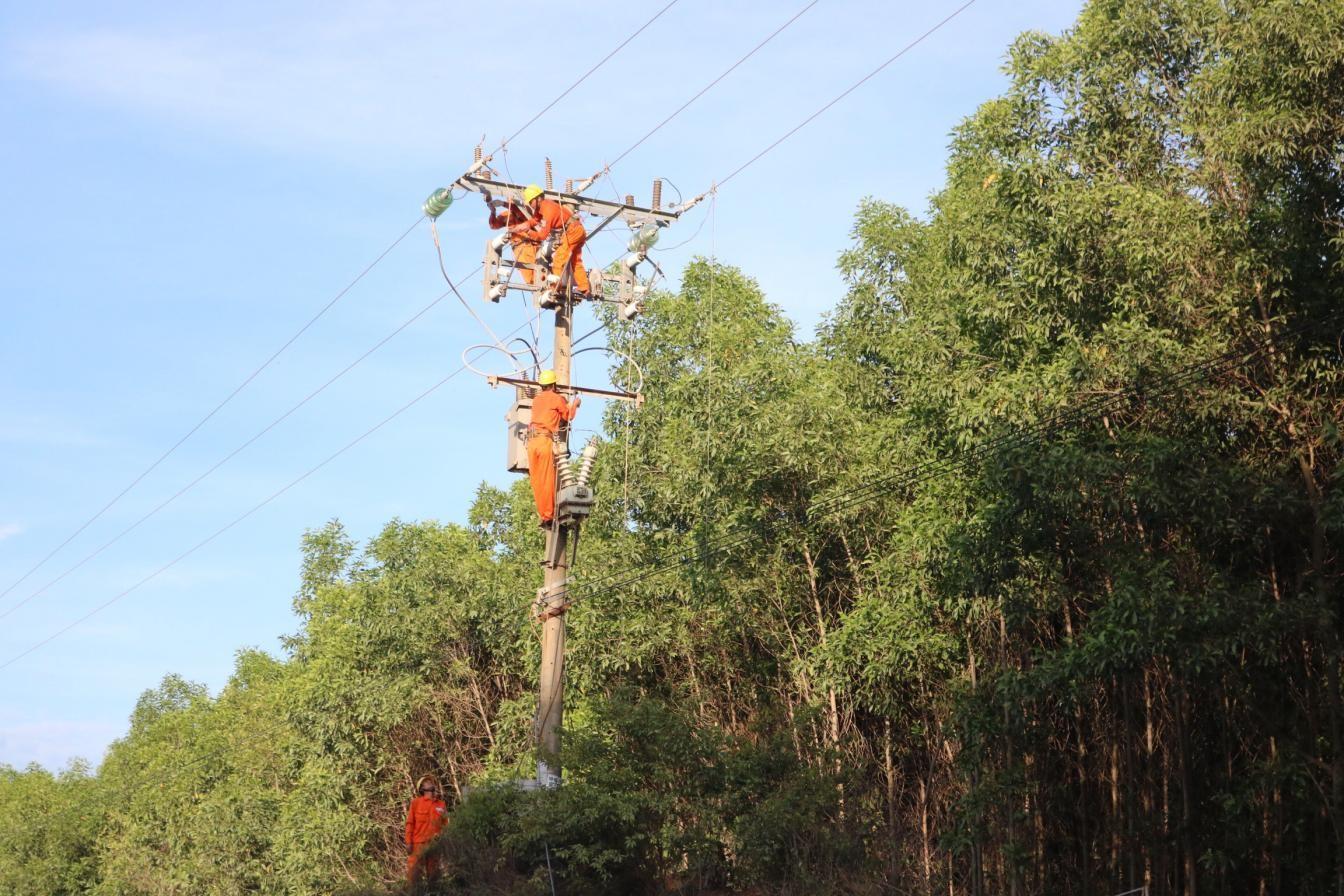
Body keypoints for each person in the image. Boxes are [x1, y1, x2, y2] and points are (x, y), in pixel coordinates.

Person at [512, 184, 590, 298]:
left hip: (573, 231)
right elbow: (535, 219)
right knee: (575, 260)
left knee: (559, 258)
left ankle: (555, 287)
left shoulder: (548, 210)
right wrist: (526, 224)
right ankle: (584, 288)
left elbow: (542, 236)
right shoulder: (542, 206)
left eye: (531, 202)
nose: (530, 205)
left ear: (538, 198)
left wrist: (528, 232)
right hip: (577, 230)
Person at [528, 369, 580, 527]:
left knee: (536, 481)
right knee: (546, 479)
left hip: (532, 443)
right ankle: (548, 516)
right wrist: (575, 404)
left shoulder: (536, 400)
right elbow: (568, 416)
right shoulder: (556, 398)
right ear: (554, 384)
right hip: (544, 441)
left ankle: (543, 514)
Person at [486, 196, 540, 284]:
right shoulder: (507, 214)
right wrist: (493, 212)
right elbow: (494, 225)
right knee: (530, 279)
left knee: (540, 274)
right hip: (519, 247)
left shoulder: (526, 210)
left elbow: (519, 211)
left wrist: (504, 204)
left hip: (532, 245)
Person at [404, 775, 447, 883]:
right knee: (413, 875)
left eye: (431, 781)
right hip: (418, 844)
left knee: (434, 875)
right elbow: (410, 823)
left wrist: (443, 841)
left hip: (434, 844)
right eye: (426, 782)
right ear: (422, 788)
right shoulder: (416, 803)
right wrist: (408, 842)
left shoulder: (441, 804)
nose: (430, 783)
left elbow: (446, 825)